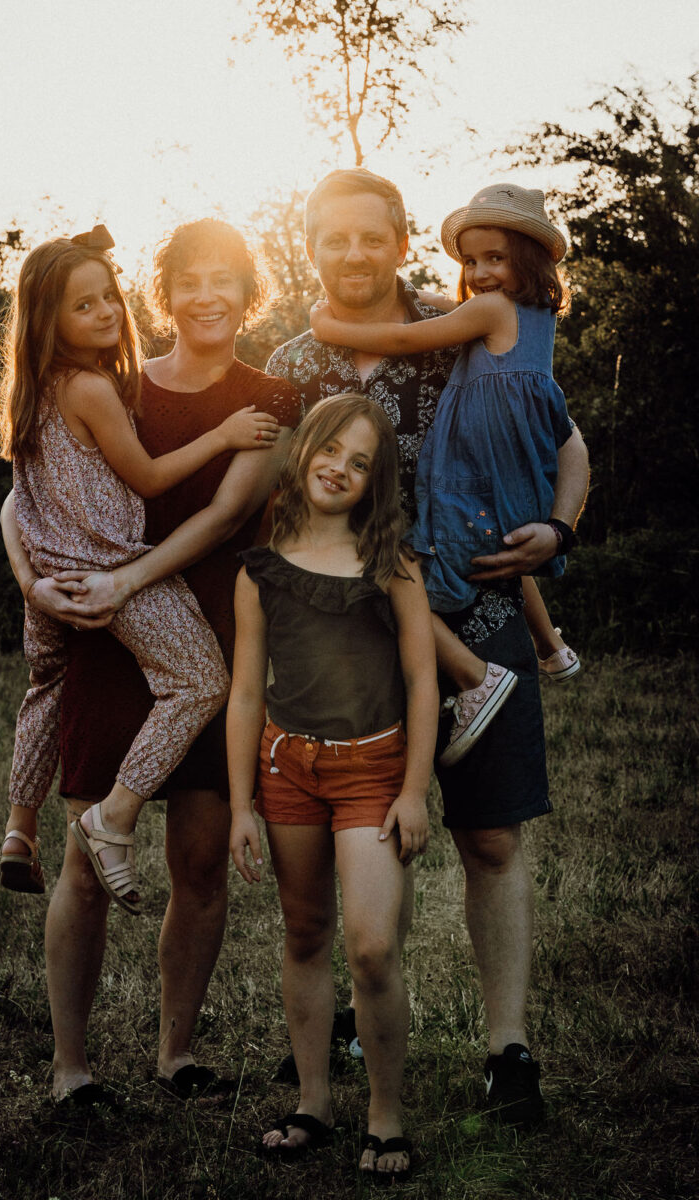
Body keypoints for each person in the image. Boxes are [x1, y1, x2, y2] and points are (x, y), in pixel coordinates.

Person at [267, 168, 590, 1126]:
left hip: (480, 610)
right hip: (342, 650)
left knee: (490, 834)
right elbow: (260, 495)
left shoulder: (467, 329)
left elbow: (564, 438)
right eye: (334, 239)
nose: (353, 255)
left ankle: (509, 1052)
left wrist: (561, 529)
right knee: (363, 847)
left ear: (403, 240)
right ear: (311, 246)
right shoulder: (289, 365)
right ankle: (356, 1030)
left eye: (373, 237)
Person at [0, 218, 302, 1102]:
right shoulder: (110, 385)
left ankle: (175, 1055)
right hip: (103, 628)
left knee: (201, 862)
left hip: (212, 625)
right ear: (162, 294)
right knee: (84, 866)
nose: (208, 297)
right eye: (190, 281)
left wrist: (122, 581)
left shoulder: (270, 398)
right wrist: (35, 586)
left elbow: (221, 517)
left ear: (252, 294)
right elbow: (21, 499)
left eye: (227, 281)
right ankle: (71, 1068)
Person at [228, 394, 437, 1179]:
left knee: (373, 946)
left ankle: (385, 1116)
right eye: (331, 451)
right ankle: (313, 1100)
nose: (339, 469)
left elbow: (422, 681)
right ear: (304, 447)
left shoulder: (391, 564)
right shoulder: (262, 567)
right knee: (305, 932)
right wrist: (243, 803)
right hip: (288, 770)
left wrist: (413, 791)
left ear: (375, 481)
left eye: (360, 463)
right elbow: (247, 692)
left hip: (373, 771)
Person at [309, 182, 582, 766]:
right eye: (472, 261)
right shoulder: (523, 318)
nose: (480, 273)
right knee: (491, 539)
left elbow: (407, 336)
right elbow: (445, 310)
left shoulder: (484, 317)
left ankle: (473, 676)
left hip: (464, 496)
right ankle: (552, 645)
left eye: (496, 259)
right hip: (507, 480)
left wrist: (330, 330)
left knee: (383, 564)